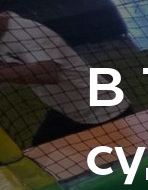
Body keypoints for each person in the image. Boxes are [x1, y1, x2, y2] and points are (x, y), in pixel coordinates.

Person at [0, 12, 131, 145]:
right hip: (70, 111)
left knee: (115, 154)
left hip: (104, 110)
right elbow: (19, 71)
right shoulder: (4, 34)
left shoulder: (27, 32)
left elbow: (48, 73)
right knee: (42, 151)